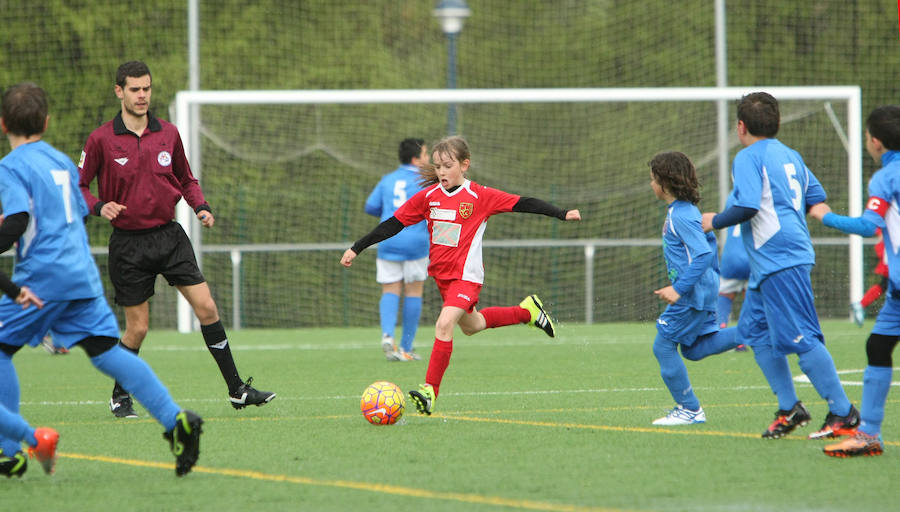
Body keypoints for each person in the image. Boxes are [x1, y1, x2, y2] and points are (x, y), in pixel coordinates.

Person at [0, 82, 202, 477]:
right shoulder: (59, 161)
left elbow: (19, 222)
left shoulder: (11, 167)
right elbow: (71, 208)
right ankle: (176, 421)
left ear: (3, 123)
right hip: (81, 274)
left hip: (43, 277)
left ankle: (15, 446)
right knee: (107, 351)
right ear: (46, 121)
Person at [78, 61, 274, 418]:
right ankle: (120, 395)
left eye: (147, 89)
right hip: (129, 244)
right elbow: (79, 188)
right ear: (119, 91)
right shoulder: (101, 139)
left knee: (208, 308)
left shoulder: (168, 133)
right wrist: (99, 205)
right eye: (135, 89)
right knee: (138, 329)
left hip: (170, 237)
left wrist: (201, 206)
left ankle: (237, 390)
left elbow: (186, 179)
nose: (142, 96)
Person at [341, 136, 581, 415]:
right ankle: (527, 312)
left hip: (466, 277)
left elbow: (523, 203)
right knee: (472, 325)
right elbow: (394, 224)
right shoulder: (429, 198)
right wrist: (357, 247)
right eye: (438, 166)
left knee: (444, 325)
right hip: (443, 279)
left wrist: (562, 214)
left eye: (448, 166)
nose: (442, 172)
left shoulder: (480, 196)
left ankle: (430, 391)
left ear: (464, 165)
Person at [700, 91, 858, 440]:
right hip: (773, 260)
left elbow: (748, 207)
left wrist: (715, 220)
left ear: (740, 127)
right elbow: (815, 198)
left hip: (780, 259)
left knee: (802, 339)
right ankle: (790, 409)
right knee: (755, 333)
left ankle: (843, 413)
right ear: (777, 123)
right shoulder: (791, 155)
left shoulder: (746, 157)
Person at [807, 104, 900, 457]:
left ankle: (869, 434)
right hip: (897, 293)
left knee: (878, 348)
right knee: (877, 347)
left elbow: (868, 226)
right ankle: (869, 435)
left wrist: (826, 216)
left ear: (875, 142)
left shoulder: (886, 177)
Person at [648, 152, 740, 425]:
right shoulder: (685, 212)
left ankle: (689, 409)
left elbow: (701, 255)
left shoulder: (682, 216)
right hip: (702, 290)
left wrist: (680, 289)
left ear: (665, 184)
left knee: (663, 346)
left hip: (692, 293)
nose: (651, 184)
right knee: (694, 349)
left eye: (653, 179)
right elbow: (708, 249)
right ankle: (755, 330)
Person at [364, 138, 430, 361]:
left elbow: (371, 206)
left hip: (388, 240)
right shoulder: (425, 181)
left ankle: (387, 336)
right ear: (415, 159)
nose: (428, 159)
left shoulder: (387, 179)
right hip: (416, 243)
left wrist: (390, 214)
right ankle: (406, 348)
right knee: (413, 291)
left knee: (390, 289)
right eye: (425, 154)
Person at [850, 228, 887, 327]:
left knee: (885, 285)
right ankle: (861, 304)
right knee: (886, 285)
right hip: (890, 253)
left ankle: (861, 304)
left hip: (888, 252)